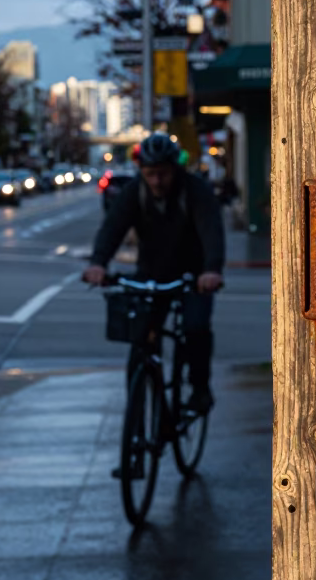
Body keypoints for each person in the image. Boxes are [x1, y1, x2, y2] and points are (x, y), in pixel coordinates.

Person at [83, 133, 225, 414]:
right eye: (150, 174)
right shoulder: (134, 192)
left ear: (176, 169)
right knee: (140, 337)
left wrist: (211, 271)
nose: (157, 181)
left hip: (193, 275)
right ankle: (136, 412)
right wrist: (98, 263)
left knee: (195, 328)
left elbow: (212, 232)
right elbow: (112, 228)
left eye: (163, 174)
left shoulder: (195, 191)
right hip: (151, 272)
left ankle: (200, 389)